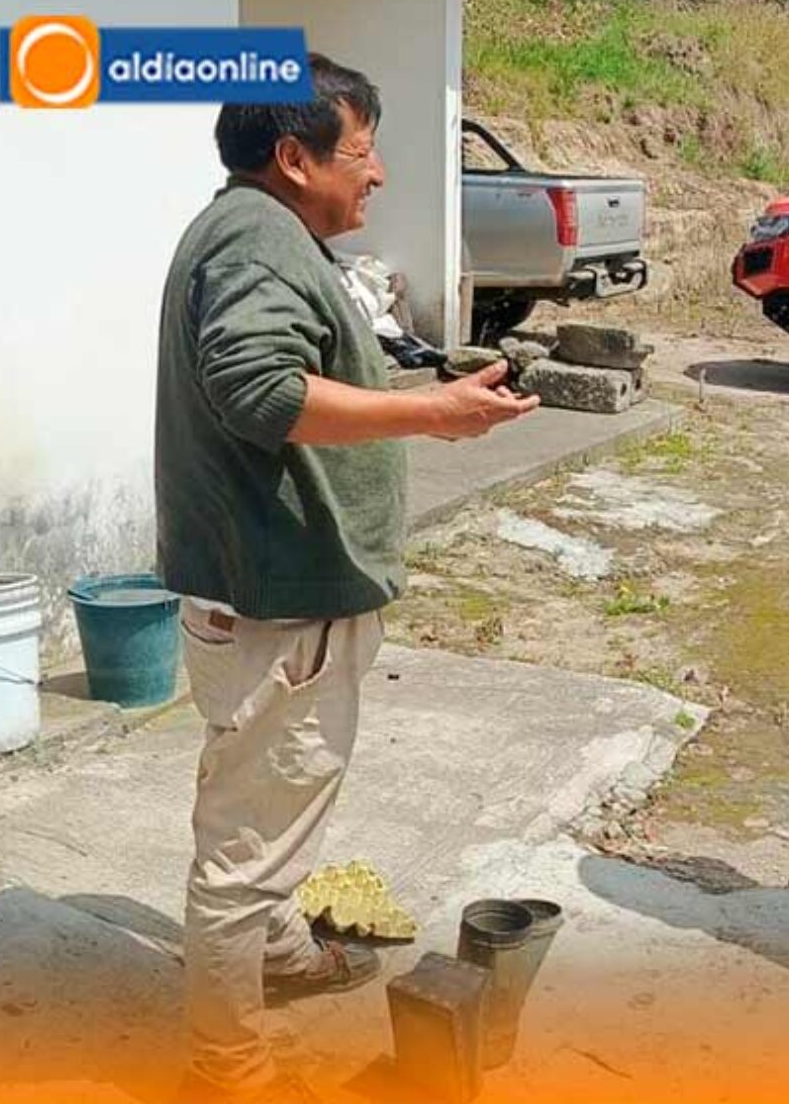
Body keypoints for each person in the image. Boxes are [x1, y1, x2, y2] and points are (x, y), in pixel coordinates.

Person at [155, 54, 538, 1103]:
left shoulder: (255, 230)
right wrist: (432, 415)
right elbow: (258, 389)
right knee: (244, 849)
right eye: (362, 153)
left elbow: (292, 368)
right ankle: (227, 1071)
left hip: (261, 595)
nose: (377, 175)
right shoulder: (258, 238)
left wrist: (414, 377)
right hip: (281, 608)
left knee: (262, 809)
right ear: (294, 156)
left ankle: (278, 953)